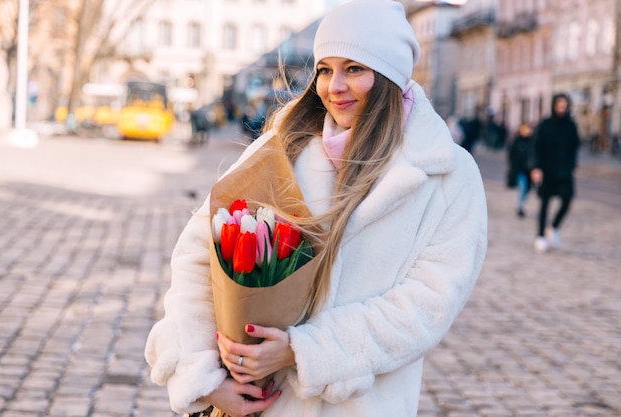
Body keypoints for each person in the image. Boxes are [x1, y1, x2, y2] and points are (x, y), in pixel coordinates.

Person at [144, 1, 488, 416]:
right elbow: (199, 257)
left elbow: (426, 305)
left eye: (354, 69)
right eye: (324, 69)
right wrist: (203, 378)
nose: (333, 86)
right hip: (258, 406)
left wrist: (303, 352)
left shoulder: (447, 174)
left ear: (390, 75)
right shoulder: (280, 147)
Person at [531, 93, 580, 253]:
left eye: (565, 105)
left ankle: (554, 227)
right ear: (554, 105)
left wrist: (572, 164)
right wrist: (536, 167)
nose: (562, 108)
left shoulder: (571, 125)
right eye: (560, 105)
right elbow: (537, 146)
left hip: (564, 171)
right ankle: (540, 237)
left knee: (567, 198)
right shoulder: (545, 124)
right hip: (546, 169)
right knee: (545, 203)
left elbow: (575, 146)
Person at [507, 122, 534, 218]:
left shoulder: (532, 141)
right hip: (519, 169)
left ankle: (521, 204)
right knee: (523, 186)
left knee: (527, 189)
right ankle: (520, 206)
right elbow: (511, 155)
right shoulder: (517, 141)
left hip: (529, 170)